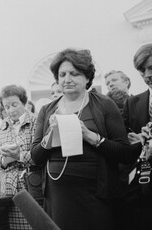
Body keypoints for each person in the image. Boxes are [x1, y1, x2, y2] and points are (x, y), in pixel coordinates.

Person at [30, 48, 131, 230]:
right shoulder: (47, 110)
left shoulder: (104, 104)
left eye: (74, 74)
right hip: (58, 197)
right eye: (62, 75)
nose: (67, 79)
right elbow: (35, 157)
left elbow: (125, 153)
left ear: (87, 77)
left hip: (95, 196)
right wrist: (49, 138)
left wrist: (90, 136)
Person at [121, 43, 152, 230]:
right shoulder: (132, 103)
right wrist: (141, 142)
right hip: (142, 188)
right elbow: (123, 143)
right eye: (141, 71)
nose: (147, 75)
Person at [0, 84, 37, 229]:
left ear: (24, 102)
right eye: (6, 107)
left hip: (31, 184)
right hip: (8, 188)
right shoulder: (3, 125)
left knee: (32, 224)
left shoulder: (36, 122)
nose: (10, 110)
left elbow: (40, 155)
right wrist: (4, 161)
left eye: (14, 105)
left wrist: (19, 156)